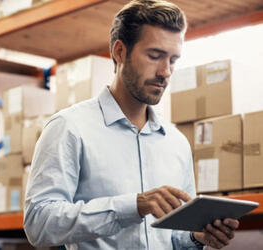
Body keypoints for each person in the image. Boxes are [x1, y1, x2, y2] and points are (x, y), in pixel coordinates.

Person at [24, 0, 239, 249]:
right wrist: (133, 206)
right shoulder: (69, 128)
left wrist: (195, 238)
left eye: (173, 60)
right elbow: (38, 224)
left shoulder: (176, 142)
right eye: (155, 56)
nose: (165, 71)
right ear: (119, 52)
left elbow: (174, 237)